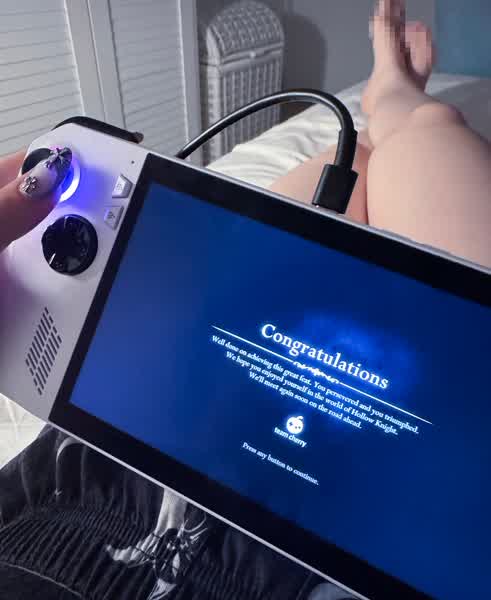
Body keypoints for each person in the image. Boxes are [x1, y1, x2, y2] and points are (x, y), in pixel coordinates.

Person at [0, 1, 489, 598]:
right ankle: (396, 98)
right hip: (314, 546)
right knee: (414, 141)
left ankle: (388, 105)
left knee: (349, 170)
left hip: (97, 463)